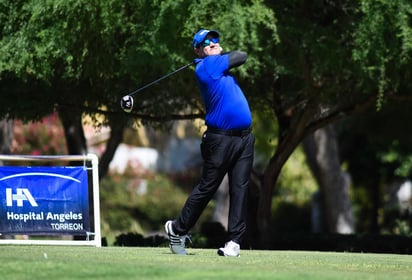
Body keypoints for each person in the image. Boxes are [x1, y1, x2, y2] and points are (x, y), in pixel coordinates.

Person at [165, 29, 255, 257]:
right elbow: (241, 55)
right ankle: (177, 229)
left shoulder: (219, 67)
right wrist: (219, 55)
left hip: (244, 138)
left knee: (240, 189)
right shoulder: (207, 66)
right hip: (220, 139)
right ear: (198, 50)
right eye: (207, 42)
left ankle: (234, 242)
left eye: (215, 39)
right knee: (208, 187)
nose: (213, 43)